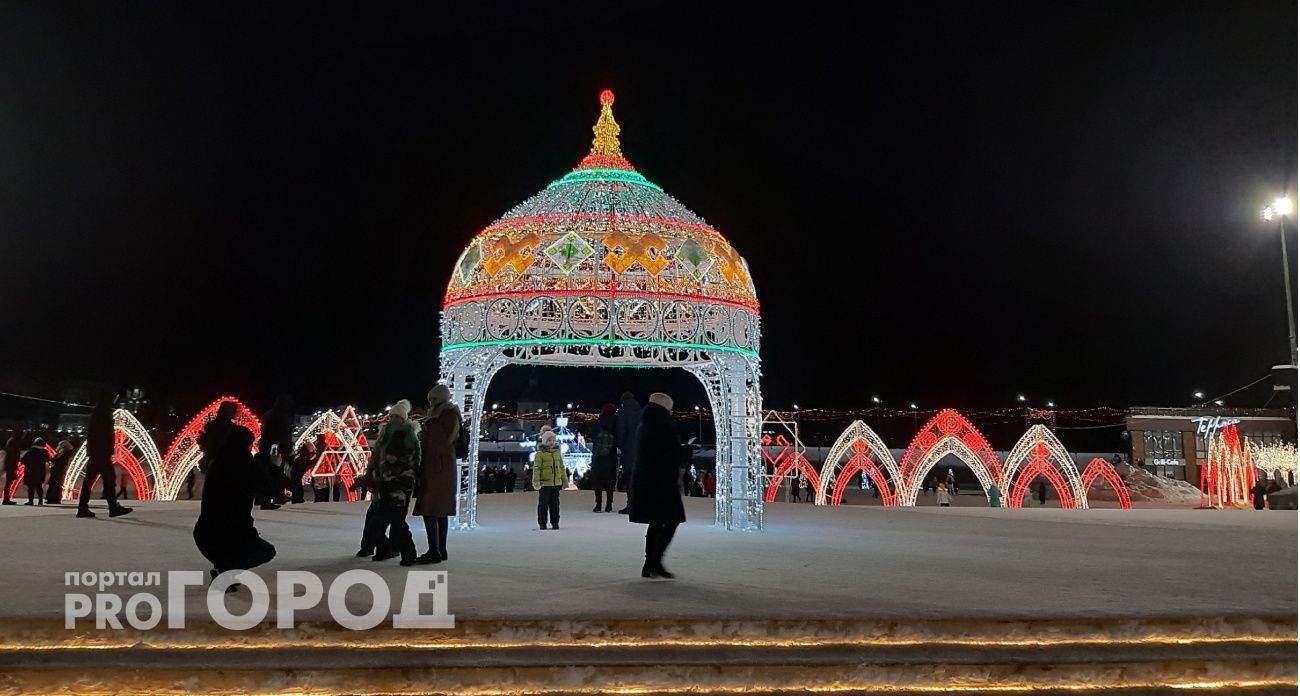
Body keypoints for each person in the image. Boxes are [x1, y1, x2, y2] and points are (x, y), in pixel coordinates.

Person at [192, 423, 276, 585]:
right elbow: (269, 489)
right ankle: (227, 571)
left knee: (229, 550)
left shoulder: (217, 460)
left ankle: (225, 569)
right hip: (234, 533)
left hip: (204, 533)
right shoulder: (244, 461)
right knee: (265, 551)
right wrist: (274, 466)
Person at [629, 392, 684, 579]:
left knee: (657, 521)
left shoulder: (645, 424)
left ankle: (651, 563)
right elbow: (671, 454)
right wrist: (686, 451)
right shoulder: (663, 427)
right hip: (662, 482)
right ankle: (654, 562)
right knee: (670, 520)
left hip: (647, 481)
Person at [367, 399, 420, 565]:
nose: (393, 419)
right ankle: (391, 550)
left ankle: (405, 552)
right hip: (387, 482)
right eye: (392, 416)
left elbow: (413, 459)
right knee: (382, 521)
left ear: (403, 418)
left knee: (393, 521)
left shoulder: (406, 434)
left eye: (397, 416)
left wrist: (394, 464)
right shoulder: (386, 433)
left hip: (399, 484)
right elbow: (377, 456)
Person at [415, 384, 459, 564]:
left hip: (437, 467)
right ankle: (440, 549)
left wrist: (425, 434)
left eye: (434, 399)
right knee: (440, 511)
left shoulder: (445, 415)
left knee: (431, 509)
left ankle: (435, 550)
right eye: (430, 399)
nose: (431, 402)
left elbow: (443, 440)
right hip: (441, 467)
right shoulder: (444, 414)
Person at [78, 395, 131, 518]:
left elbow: (94, 434)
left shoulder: (97, 413)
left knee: (90, 480)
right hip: (101, 452)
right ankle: (113, 508)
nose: (115, 400)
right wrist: (107, 448)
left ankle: (83, 507)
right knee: (109, 479)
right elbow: (104, 433)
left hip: (96, 452)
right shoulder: (103, 413)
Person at [255, 394, 295, 510]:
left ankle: (269, 497)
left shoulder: (270, 414)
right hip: (275, 448)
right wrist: (285, 449)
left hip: (269, 447)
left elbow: (266, 432)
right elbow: (283, 435)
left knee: (270, 473)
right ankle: (271, 497)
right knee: (275, 472)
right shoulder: (282, 416)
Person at [614, 391, 642, 514]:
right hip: (642, 452)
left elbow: (621, 432)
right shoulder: (642, 412)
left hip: (629, 453)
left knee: (629, 479)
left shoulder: (624, 413)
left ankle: (631, 505)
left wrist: (622, 446)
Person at [533, 429, 564, 530]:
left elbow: (561, 467)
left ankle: (555, 523)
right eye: (549, 440)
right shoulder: (540, 454)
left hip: (555, 484)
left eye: (553, 440)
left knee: (555, 505)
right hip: (545, 484)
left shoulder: (557, 454)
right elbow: (536, 468)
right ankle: (542, 523)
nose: (551, 443)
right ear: (544, 442)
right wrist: (536, 480)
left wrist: (565, 480)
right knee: (543, 505)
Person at [590, 404, 618, 512]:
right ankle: (609, 505)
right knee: (610, 481)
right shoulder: (616, 422)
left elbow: (592, 435)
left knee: (598, 481)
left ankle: (598, 504)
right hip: (611, 456)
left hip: (598, 456)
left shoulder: (598, 421)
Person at [21, 438, 50, 505]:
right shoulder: (44, 452)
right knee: (39, 486)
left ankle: (31, 501)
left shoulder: (30, 451)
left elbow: (23, 460)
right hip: (40, 471)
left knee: (31, 487)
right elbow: (47, 459)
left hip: (30, 471)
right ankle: (40, 501)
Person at [45, 440, 74, 504]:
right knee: (53, 484)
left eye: (60, 445)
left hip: (59, 471)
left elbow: (59, 462)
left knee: (56, 485)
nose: (58, 447)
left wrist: (51, 459)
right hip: (56, 471)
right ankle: (51, 498)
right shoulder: (61, 453)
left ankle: (54, 499)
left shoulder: (65, 454)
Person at [2, 430, 22, 505]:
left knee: (9, 481)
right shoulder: (13, 442)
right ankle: (6, 499)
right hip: (11, 465)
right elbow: (13, 454)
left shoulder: (11, 441)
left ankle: (6, 498)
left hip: (10, 464)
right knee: (9, 481)